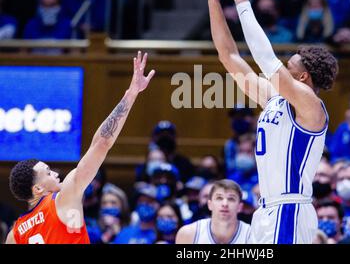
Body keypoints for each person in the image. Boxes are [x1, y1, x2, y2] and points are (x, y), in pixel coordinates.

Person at [209, 0, 338, 244]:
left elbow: (265, 59)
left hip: (290, 210)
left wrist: (242, 2)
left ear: (303, 78)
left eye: (289, 66)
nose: (283, 65)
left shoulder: (310, 106)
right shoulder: (274, 97)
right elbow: (228, 57)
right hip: (265, 211)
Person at [6, 51, 155, 244]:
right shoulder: (63, 198)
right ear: (38, 188)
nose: (56, 174)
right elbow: (102, 143)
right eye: (48, 172)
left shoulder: (14, 235)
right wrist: (131, 94)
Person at [175, 179, 250, 244]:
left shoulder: (251, 235)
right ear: (209, 204)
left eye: (231, 199)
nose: (225, 204)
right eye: (219, 198)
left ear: (240, 207)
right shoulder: (188, 233)